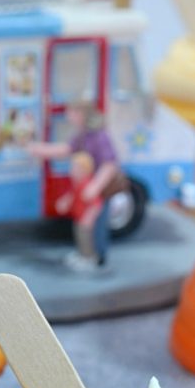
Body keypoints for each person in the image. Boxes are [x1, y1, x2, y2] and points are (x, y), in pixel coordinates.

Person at [27, 102, 120, 269]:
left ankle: (97, 258)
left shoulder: (99, 135)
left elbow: (110, 164)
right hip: (87, 185)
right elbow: (66, 149)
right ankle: (85, 254)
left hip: (100, 188)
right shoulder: (83, 134)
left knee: (96, 225)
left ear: (81, 114)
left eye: (71, 113)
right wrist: (39, 149)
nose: (68, 117)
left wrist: (96, 187)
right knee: (82, 225)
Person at [54, 152, 103, 272]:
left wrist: (89, 217)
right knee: (79, 237)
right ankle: (82, 255)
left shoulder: (87, 184)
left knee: (86, 238)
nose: (71, 171)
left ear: (84, 170)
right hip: (78, 217)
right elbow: (72, 196)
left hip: (84, 220)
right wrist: (64, 202)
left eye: (75, 168)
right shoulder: (77, 183)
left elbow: (96, 204)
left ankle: (89, 258)